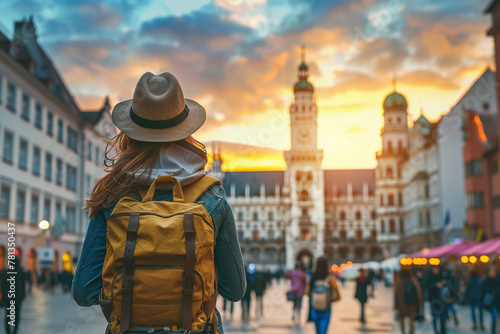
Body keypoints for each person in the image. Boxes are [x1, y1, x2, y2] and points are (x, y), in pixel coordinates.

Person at [72, 72, 246, 333]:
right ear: (186, 131)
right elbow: (234, 289)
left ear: (131, 135)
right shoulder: (212, 197)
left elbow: (84, 291)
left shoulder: (113, 196)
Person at [306, 257, 340, 334]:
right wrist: (330, 299)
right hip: (326, 308)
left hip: (314, 307)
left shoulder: (313, 277)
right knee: (323, 331)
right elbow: (337, 295)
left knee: (317, 331)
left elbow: (307, 293)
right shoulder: (330, 277)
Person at [0, 257, 26, 334]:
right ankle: (14, 331)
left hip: (8, 298)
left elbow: (2, 287)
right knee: (17, 315)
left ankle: (8, 331)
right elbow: (23, 287)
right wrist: (22, 297)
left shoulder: (4, 273)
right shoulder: (21, 273)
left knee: (8, 315)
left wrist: (2, 298)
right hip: (17, 298)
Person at [394, 267, 422, 334]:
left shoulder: (399, 281)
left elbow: (396, 294)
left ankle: (403, 331)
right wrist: (420, 305)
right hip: (412, 304)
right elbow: (419, 294)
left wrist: (396, 304)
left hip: (402, 305)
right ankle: (411, 332)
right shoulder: (413, 280)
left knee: (401, 319)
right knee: (412, 319)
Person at [425, 265, 447, 334]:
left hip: (442, 300)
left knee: (443, 317)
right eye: (434, 269)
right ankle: (436, 331)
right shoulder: (429, 277)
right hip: (433, 299)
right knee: (434, 317)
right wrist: (435, 285)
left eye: (436, 269)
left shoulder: (442, 276)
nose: (435, 270)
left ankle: (443, 331)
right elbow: (426, 285)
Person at [482, 267, 500, 334]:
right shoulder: (486, 281)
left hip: (498, 301)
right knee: (494, 318)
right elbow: (483, 291)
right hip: (493, 303)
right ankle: (493, 332)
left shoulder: (497, 280)